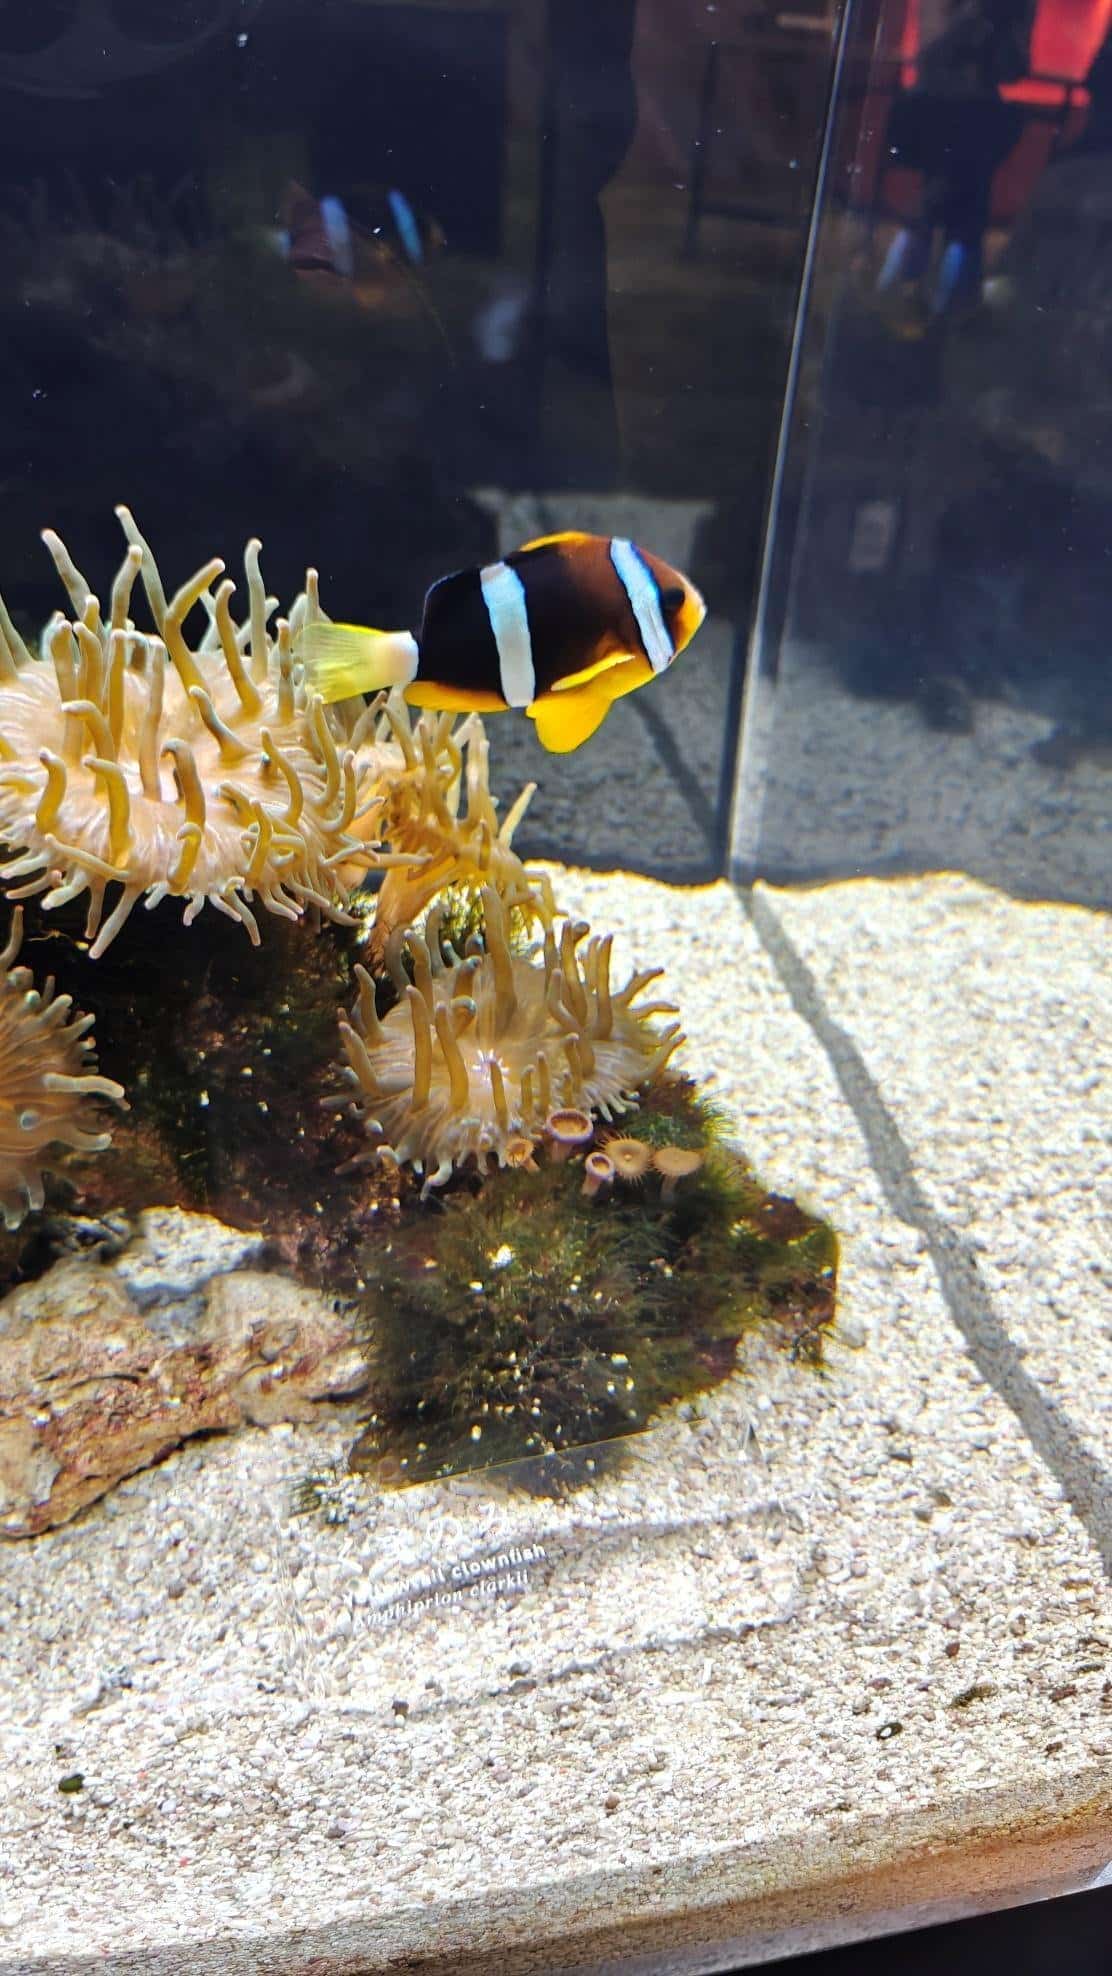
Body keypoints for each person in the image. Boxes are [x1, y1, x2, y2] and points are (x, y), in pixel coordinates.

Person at [878, 0, 1032, 318]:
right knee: (948, 208)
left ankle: (934, 301)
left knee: (960, 213)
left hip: (976, 115)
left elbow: (1013, 66)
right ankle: (914, 294)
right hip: (939, 110)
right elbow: (931, 52)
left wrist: (994, 23)